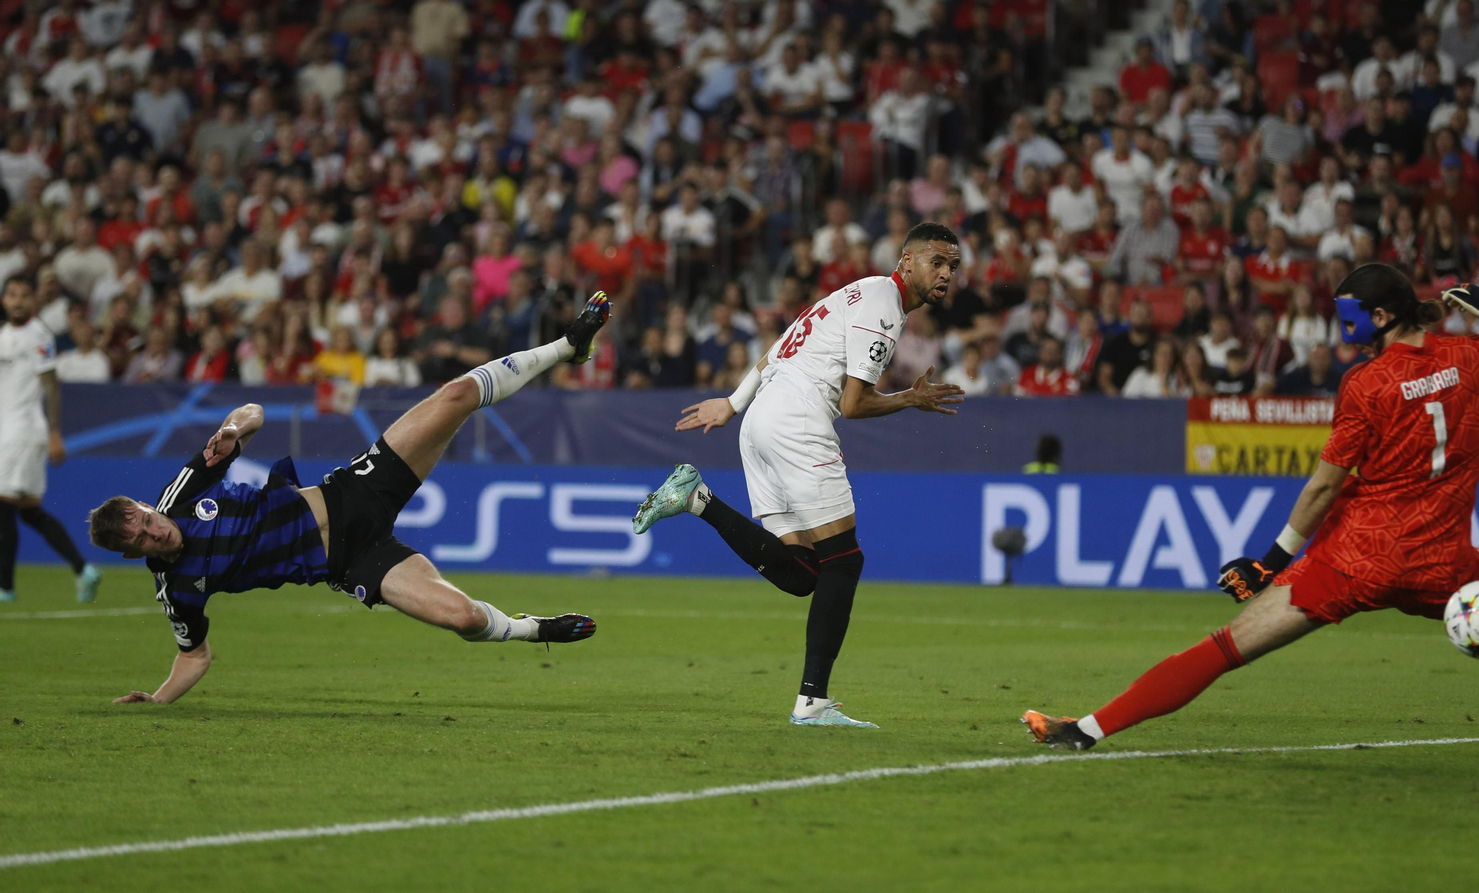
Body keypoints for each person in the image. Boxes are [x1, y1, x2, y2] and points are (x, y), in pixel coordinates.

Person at [1023, 266, 1479, 762]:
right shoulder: (1477, 356)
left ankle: (1087, 730)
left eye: (1351, 321)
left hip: (1356, 562)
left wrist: (1270, 562)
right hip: (1442, 561)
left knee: (1227, 645)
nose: (1346, 334)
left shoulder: (1367, 383)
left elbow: (1324, 486)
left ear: (1383, 315)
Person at [85, 294, 614, 705]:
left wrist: (231, 428)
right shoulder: (176, 591)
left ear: (146, 506)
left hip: (351, 492)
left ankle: (568, 345)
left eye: (146, 518)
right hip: (352, 560)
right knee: (463, 620)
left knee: (455, 396)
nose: (156, 529)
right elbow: (194, 656)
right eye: (144, 537)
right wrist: (156, 699)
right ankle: (534, 629)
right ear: (135, 554)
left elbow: (253, 412)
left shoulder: (182, 493)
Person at [631, 223, 965, 728]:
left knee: (804, 570)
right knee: (845, 561)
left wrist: (734, 402)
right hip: (798, 422)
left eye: (953, 266)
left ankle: (697, 499)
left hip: (762, 420)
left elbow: (783, 342)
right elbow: (852, 405)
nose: (946, 273)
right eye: (937, 261)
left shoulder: (858, 293)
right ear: (906, 261)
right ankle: (812, 704)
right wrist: (910, 399)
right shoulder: (884, 306)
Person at [0, 275, 101, 603]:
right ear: (3, 300)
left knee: (3, 507)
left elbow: (51, 387)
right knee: (28, 511)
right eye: (12, 295)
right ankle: (82, 569)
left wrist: (55, 432)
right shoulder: (4, 335)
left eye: (24, 295)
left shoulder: (39, 336)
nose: (17, 301)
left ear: (34, 301)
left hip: (24, 431)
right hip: (9, 430)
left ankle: (5, 587)